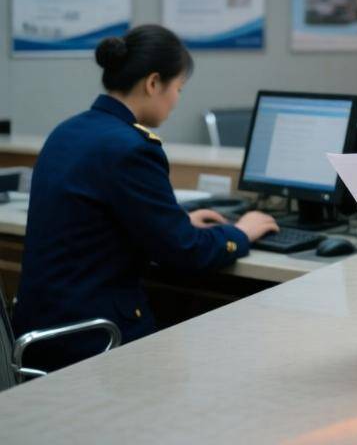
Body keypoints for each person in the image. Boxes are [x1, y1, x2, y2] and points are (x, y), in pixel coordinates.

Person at [13, 25, 279, 372]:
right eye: (178, 89)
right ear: (153, 83)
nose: (177, 100)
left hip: (41, 332)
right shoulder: (132, 148)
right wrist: (240, 233)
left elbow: (107, 219)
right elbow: (185, 252)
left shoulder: (69, 131)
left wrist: (178, 221)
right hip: (95, 339)